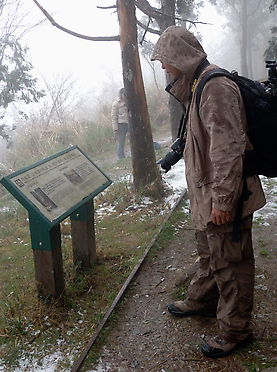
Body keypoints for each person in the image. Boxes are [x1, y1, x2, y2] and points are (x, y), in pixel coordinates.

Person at [151, 26, 266, 359]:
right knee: (209, 252)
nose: (162, 68)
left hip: (225, 196)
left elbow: (229, 149)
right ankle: (203, 299)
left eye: (165, 60)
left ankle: (235, 330)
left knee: (231, 262)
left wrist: (223, 201)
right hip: (209, 194)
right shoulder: (199, 85)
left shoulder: (214, 87)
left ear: (181, 58)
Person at [111, 88, 129, 159]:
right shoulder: (116, 104)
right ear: (121, 95)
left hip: (130, 124)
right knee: (121, 142)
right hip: (121, 125)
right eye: (124, 94)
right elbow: (114, 117)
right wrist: (115, 128)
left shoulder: (129, 101)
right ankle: (121, 157)